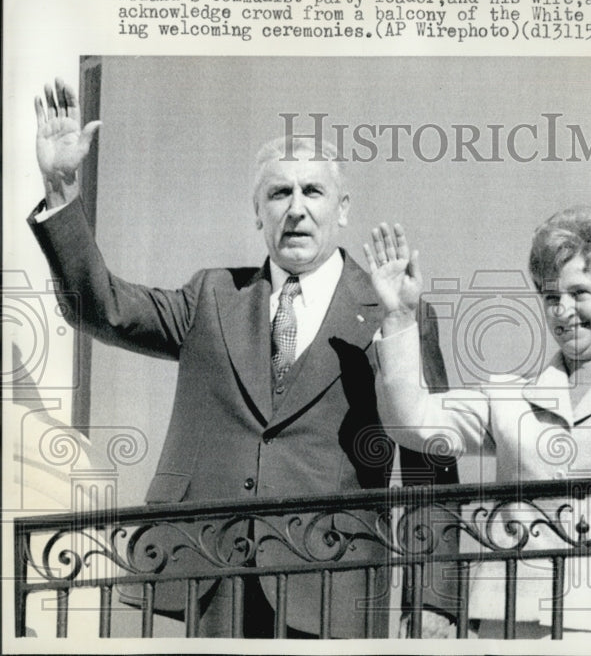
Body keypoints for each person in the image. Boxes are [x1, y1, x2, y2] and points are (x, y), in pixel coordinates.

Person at [28, 78, 459, 638]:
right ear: (257, 212)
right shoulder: (212, 298)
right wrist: (61, 189)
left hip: (333, 587)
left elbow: (432, 464)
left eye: (313, 191)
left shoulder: (393, 310)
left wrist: (433, 601)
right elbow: (102, 308)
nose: (296, 210)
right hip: (217, 580)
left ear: (343, 209)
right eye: (279, 194)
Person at [364, 206, 591, 639]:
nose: (562, 311)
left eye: (579, 293)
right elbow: (411, 423)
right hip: (513, 620)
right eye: (550, 297)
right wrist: (399, 316)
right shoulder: (511, 397)